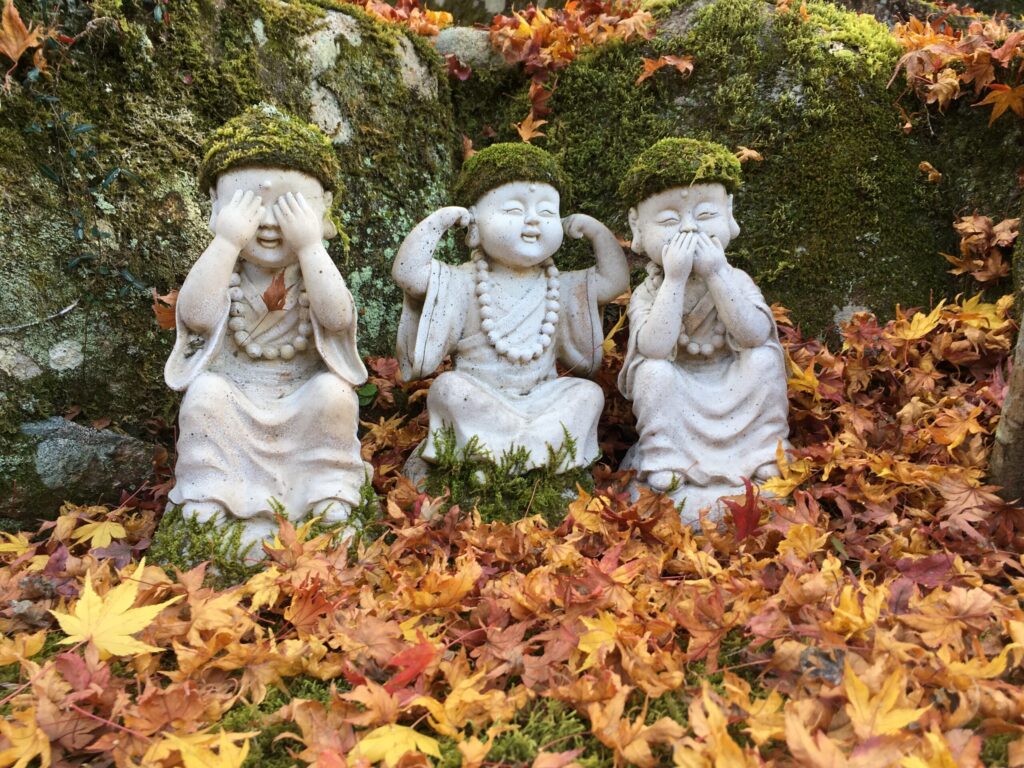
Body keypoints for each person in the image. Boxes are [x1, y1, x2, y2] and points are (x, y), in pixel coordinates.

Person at [165, 104, 367, 550]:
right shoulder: (225, 271)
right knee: (205, 396)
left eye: (291, 206)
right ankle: (210, 494)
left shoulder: (312, 271)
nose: (271, 222)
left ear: (323, 209)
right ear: (217, 205)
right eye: (250, 205)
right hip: (236, 397)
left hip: (301, 396)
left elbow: (337, 319)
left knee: (334, 394)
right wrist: (226, 241)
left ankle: (327, 491)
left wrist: (310, 246)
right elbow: (196, 316)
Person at [394, 143, 628, 472]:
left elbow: (612, 283)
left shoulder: (558, 285)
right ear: (474, 226)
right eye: (514, 210)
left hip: (542, 398)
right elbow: (408, 275)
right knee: (448, 389)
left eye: (546, 212)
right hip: (481, 396)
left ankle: (509, 455)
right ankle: (528, 454)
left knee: (587, 393)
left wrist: (597, 233)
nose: (533, 220)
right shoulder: (463, 281)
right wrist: (438, 222)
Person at [618, 138, 790, 517]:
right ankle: (666, 458)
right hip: (679, 389)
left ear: (729, 215)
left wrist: (715, 274)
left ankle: (762, 452)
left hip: (733, 381)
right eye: (668, 220)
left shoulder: (735, 279)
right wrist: (674, 280)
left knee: (763, 359)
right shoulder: (649, 291)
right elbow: (655, 347)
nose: (689, 228)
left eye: (706, 214)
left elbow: (753, 334)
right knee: (653, 372)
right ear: (638, 228)